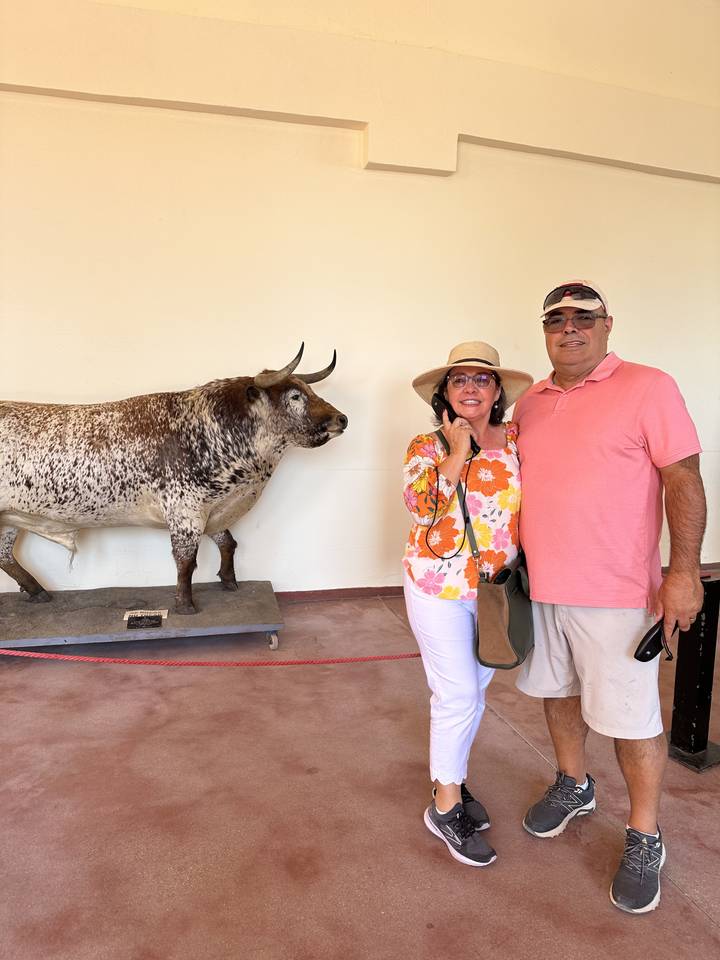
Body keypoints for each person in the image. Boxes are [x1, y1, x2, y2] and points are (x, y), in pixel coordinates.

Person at [514, 281, 706, 914]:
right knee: (557, 693)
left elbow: (682, 479)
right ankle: (574, 783)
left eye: (583, 318)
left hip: (618, 594)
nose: (569, 328)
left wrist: (683, 572)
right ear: (546, 331)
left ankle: (645, 833)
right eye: (556, 319)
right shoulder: (532, 403)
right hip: (543, 587)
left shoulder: (650, 386)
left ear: (607, 325)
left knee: (632, 719)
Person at [403, 341, 533, 867]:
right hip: (436, 587)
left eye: (483, 379)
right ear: (445, 393)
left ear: (498, 391)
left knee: (474, 693)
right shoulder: (424, 445)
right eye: (461, 380)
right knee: (456, 693)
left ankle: (450, 778)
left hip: (494, 591)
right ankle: (445, 804)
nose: (472, 388)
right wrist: (456, 452)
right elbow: (422, 508)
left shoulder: (518, 443)